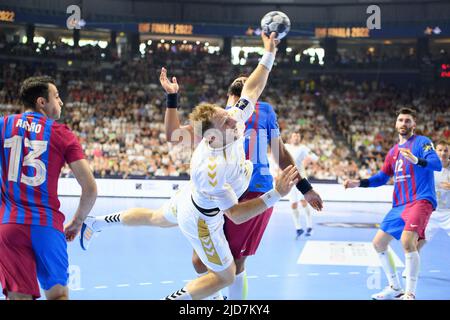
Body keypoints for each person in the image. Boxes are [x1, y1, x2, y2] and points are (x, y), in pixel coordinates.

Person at [0, 76, 97, 300]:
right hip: (47, 226)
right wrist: (77, 221)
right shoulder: (61, 133)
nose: (61, 102)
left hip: (9, 226)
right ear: (41, 102)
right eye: (56, 96)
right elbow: (90, 188)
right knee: (58, 296)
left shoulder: (3, 125)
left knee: (18, 297)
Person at [343, 107, 442, 300]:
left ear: (414, 124)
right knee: (378, 243)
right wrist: (359, 183)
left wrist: (416, 160)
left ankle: (410, 293)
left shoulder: (423, 142)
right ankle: (395, 287)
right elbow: (382, 177)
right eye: (400, 120)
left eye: (407, 120)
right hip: (400, 204)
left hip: (421, 199)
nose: (403, 123)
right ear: (396, 124)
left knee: (407, 241)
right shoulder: (393, 151)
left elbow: (436, 164)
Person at [284, 132, 319, 238]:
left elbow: (315, 158)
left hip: (301, 179)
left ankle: (309, 225)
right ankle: (298, 228)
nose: (296, 137)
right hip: (290, 179)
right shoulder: (286, 147)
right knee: (293, 204)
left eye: (298, 136)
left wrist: (306, 162)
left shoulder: (303, 148)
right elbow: (277, 156)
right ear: (290, 138)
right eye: (294, 136)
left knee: (304, 201)